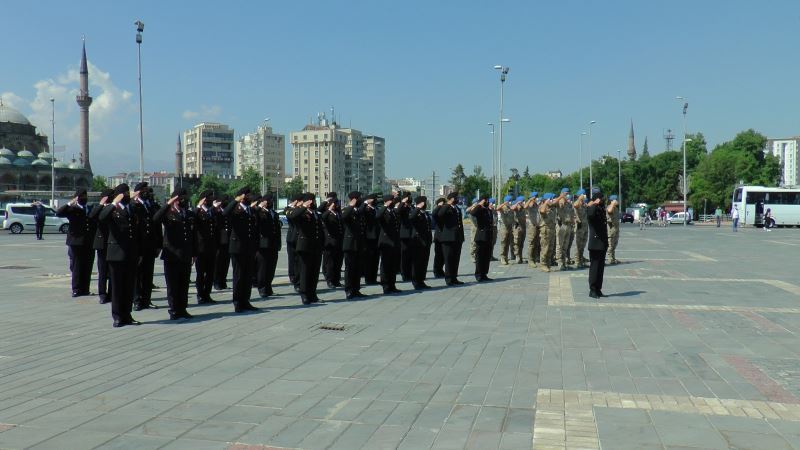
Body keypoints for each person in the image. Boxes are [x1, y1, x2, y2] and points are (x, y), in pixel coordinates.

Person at [99, 183, 141, 327]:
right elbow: (101, 217)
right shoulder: (112, 210)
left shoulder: (132, 209)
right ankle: (117, 316)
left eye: (127, 194)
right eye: (124, 194)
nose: (127, 196)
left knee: (128, 286)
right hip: (116, 254)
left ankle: (127, 315)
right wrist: (113, 203)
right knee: (117, 287)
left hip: (131, 253)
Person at [153, 188, 195, 320]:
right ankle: (174, 310)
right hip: (172, 254)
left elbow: (192, 235)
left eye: (186, 198)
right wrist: (168, 204)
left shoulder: (188, 214)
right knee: (172, 285)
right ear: (175, 200)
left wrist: (194, 253)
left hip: (186, 254)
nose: (185, 200)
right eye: (182, 198)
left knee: (184, 284)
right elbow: (155, 218)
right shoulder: (168, 214)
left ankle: (182, 309)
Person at [223, 187, 260, 312]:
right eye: (248, 196)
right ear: (242, 197)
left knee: (247, 275)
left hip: (249, 248)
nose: (250, 198)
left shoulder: (250, 210)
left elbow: (254, 230)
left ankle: (246, 301)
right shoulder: (235, 209)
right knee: (238, 276)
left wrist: (255, 247)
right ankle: (237, 302)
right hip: (237, 248)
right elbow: (225, 213)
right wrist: (235, 200)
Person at [56, 188, 95, 297]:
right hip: (76, 241)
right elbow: (59, 213)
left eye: (85, 197)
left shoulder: (90, 208)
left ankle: (85, 289)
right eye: (82, 197)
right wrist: (70, 203)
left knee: (87, 266)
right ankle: (76, 289)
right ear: (77, 198)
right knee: (77, 266)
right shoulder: (73, 209)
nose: (84, 199)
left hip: (88, 242)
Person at [288, 193, 325, 304]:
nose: (314, 203)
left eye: (314, 200)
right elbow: (292, 215)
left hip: (316, 247)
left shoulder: (315, 214)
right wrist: (303, 206)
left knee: (314, 272)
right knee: (305, 272)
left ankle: (313, 294)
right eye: (312, 201)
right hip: (305, 247)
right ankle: (304, 295)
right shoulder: (302, 213)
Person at [132, 183, 161, 311]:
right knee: (137, 275)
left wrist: (159, 244)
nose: (146, 193)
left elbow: (157, 226)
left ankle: (147, 299)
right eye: (143, 191)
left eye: (147, 191)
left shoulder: (151, 205)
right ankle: (137, 300)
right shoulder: (133, 206)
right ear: (137, 192)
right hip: (139, 246)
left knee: (148, 274)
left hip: (150, 245)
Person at [194, 190, 218, 304]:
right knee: (200, 273)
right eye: (209, 198)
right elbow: (193, 220)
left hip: (211, 247)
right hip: (201, 248)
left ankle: (207, 294)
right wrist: (198, 206)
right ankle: (200, 294)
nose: (211, 200)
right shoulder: (198, 212)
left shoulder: (212, 212)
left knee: (210, 273)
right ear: (204, 199)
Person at [90, 189, 114, 304]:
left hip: (113, 243)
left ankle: (111, 293)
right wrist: (101, 204)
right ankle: (102, 294)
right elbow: (92, 215)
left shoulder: (114, 207)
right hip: (102, 243)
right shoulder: (99, 208)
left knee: (112, 271)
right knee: (103, 271)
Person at [436, 192, 465, 286]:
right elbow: (439, 215)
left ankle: (454, 277)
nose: (458, 199)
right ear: (452, 199)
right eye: (456, 198)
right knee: (448, 259)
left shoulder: (456, 208)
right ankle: (449, 279)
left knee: (455, 259)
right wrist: (447, 204)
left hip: (457, 237)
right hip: (448, 238)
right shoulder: (446, 207)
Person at [341, 191, 366, 298]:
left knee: (357, 268)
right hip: (350, 244)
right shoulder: (347, 210)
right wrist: (351, 205)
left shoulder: (357, 211)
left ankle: (356, 289)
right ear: (354, 199)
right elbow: (344, 217)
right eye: (359, 198)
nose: (361, 199)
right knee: (350, 268)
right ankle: (349, 290)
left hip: (358, 244)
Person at [256, 194, 282, 297]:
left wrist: (278, 243)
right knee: (263, 268)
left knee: (271, 268)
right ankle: (262, 288)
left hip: (273, 244)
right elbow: (256, 220)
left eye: (272, 200)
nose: (271, 202)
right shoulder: (260, 213)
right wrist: (260, 207)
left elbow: (277, 230)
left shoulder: (273, 213)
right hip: (263, 244)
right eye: (269, 200)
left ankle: (268, 288)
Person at [377, 194, 402, 294]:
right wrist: (385, 205)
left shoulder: (392, 212)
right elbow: (378, 216)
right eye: (391, 201)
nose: (393, 202)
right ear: (387, 201)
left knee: (393, 265)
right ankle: (386, 286)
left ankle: (392, 285)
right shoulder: (383, 211)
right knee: (385, 265)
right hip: (386, 242)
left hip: (394, 241)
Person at [587, 189, 608, 298]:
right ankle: (592, 290)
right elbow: (590, 215)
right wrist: (594, 203)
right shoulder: (592, 208)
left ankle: (598, 289)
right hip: (595, 243)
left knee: (600, 268)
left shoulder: (600, 209)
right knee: (594, 268)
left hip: (602, 243)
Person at [409, 195, 433, 289]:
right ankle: (416, 282)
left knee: (424, 262)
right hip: (417, 241)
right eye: (424, 202)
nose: (425, 204)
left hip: (426, 241)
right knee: (417, 263)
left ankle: (421, 280)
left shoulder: (425, 213)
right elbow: (411, 218)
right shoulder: (414, 211)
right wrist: (417, 207)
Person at [321, 194, 344, 288]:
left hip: (339, 241)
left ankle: (336, 280)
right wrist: (329, 207)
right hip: (329, 242)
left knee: (338, 262)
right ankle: (329, 280)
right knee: (330, 263)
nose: (337, 205)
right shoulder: (327, 213)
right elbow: (323, 217)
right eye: (335, 203)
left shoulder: (338, 214)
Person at [469, 194, 493, 282]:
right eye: (487, 200)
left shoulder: (487, 210)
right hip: (481, 236)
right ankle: (478, 275)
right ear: (483, 200)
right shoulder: (479, 209)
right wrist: (479, 204)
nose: (488, 202)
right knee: (480, 257)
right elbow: (472, 213)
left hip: (488, 236)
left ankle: (484, 274)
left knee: (486, 257)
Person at [361, 193, 380, 285]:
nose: (375, 201)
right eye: (374, 199)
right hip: (368, 237)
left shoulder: (376, 209)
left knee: (375, 259)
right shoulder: (365, 209)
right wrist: (365, 203)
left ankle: (373, 278)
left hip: (377, 237)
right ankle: (368, 278)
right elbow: (360, 211)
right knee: (369, 259)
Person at [213, 194, 231, 290]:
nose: (226, 202)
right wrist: (215, 208)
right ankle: (216, 282)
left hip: (226, 240)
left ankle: (223, 282)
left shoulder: (227, 211)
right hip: (218, 241)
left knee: (225, 262)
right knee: (218, 263)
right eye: (224, 200)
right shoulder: (216, 212)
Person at [284, 194, 301, 291]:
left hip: (299, 238)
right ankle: (292, 276)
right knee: (292, 259)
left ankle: (297, 277)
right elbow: (289, 213)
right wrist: (292, 205)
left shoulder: (300, 209)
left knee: (298, 260)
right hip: (291, 238)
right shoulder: (290, 210)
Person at [538, 193, 556, 272]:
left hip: (552, 230)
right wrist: (545, 202)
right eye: (551, 199)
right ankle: (543, 265)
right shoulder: (543, 207)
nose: (553, 201)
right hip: (545, 230)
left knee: (550, 248)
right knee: (545, 248)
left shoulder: (552, 208)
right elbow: (542, 211)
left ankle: (548, 264)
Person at [496, 195, 515, 265]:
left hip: (510, 227)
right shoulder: (503, 207)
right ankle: (502, 257)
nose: (510, 202)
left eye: (511, 201)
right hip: (504, 227)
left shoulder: (510, 208)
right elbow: (497, 208)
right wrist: (504, 203)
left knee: (508, 243)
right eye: (509, 201)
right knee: (503, 243)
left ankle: (506, 257)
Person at [573, 190, 589, 268]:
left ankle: (581, 260)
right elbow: (575, 205)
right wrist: (580, 199)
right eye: (584, 194)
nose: (585, 196)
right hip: (579, 227)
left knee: (583, 245)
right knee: (578, 245)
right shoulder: (577, 203)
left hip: (585, 227)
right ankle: (577, 261)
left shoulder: (583, 204)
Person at [524, 193, 541, 268]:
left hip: (538, 226)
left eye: (537, 197)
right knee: (531, 243)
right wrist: (530, 199)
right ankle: (530, 260)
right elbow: (525, 206)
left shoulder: (537, 205)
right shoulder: (530, 205)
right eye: (535, 197)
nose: (536, 198)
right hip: (532, 226)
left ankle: (534, 258)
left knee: (536, 243)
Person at [431, 197, 446, 278]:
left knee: (443, 255)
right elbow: (434, 213)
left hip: (445, 236)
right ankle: (437, 271)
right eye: (442, 204)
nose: (443, 206)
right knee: (438, 255)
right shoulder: (437, 212)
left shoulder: (444, 212)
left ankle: (440, 270)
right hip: (438, 236)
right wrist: (439, 206)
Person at [512, 196, 527, 264]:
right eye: (522, 201)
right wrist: (517, 203)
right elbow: (512, 208)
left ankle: (520, 257)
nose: (523, 202)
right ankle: (517, 256)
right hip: (517, 228)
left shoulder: (523, 208)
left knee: (521, 243)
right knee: (516, 243)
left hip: (523, 227)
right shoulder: (516, 208)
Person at [606, 195, 621, 265]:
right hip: (611, 230)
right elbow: (609, 211)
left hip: (616, 229)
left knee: (614, 244)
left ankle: (613, 258)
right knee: (610, 245)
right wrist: (612, 203)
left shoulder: (616, 208)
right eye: (616, 200)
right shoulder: (609, 207)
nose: (618, 201)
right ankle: (610, 259)